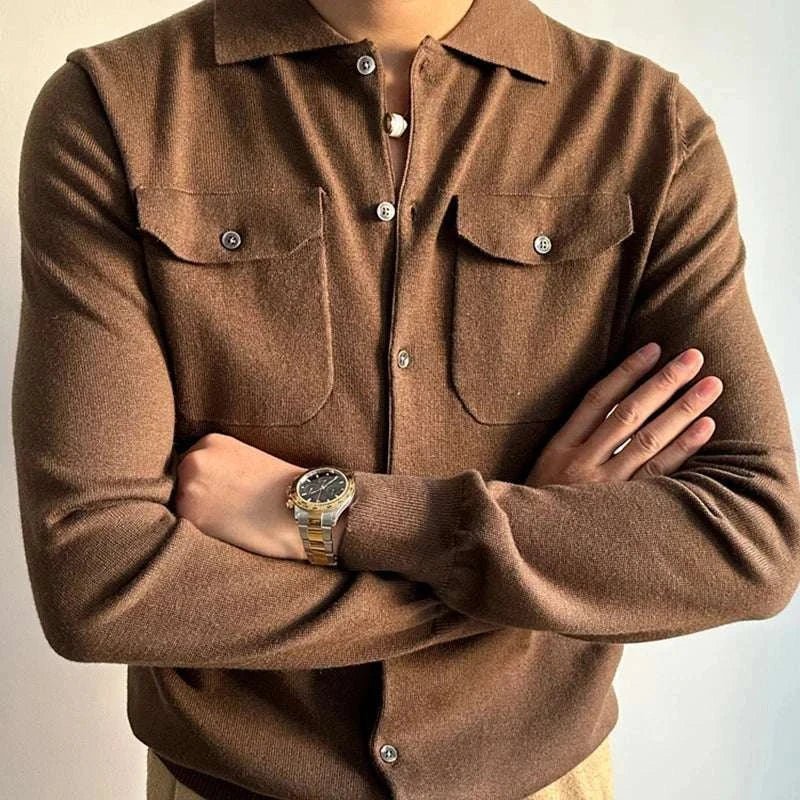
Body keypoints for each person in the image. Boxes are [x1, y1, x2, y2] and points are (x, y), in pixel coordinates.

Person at [13, 0, 800, 798]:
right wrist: (524, 557)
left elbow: (752, 536)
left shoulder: (648, 126)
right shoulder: (113, 106)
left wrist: (326, 513)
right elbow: (99, 581)